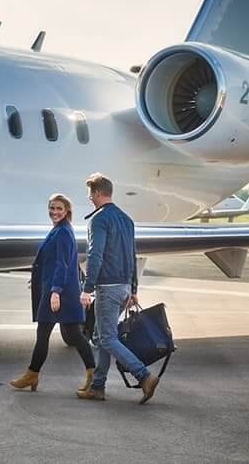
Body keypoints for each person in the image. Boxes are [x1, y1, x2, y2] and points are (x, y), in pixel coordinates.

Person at [76, 173, 160, 404]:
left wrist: (87, 287)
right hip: (123, 285)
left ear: (97, 193)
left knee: (107, 337)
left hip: (108, 286)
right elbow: (132, 256)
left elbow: (95, 255)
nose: (89, 198)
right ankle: (98, 387)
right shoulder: (126, 219)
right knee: (101, 336)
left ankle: (143, 375)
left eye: (90, 194)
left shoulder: (99, 219)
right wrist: (133, 287)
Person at [10, 194, 96, 393]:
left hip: (60, 293)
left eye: (59, 208)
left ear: (67, 211)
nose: (54, 212)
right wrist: (40, 278)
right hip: (58, 289)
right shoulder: (59, 229)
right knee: (66, 334)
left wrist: (55, 292)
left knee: (62, 334)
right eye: (51, 208)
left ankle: (34, 374)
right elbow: (52, 261)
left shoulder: (64, 232)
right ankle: (33, 374)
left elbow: (63, 264)